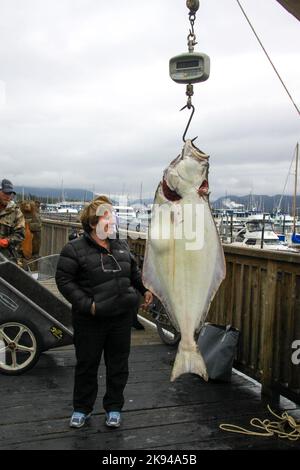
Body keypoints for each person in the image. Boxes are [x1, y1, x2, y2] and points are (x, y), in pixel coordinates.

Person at [55, 196, 153, 429]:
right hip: (90, 319)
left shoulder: (120, 244)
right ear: (93, 223)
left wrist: (144, 289)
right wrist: (89, 305)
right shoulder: (74, 249)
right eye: (107, 215)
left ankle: (114, 408)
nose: (113, 219)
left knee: (118, 365)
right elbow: (64, 280)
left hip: (120, 318)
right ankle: (82, 408)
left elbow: (132, 271)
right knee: (87, 364)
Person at [0, 179, 25, 261]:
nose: (8, 196)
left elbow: (20, 234)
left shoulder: (16, 211)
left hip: (6, 257)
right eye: (5, 193)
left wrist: (7, 241)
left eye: (10, 193)